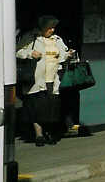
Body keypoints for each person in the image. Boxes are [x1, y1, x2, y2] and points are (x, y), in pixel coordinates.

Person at [16, 15, 73, 146]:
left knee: (51, 109)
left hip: (52, 79)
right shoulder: (31, 38)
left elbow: (62, 55)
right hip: (36, 80)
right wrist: (30, 53)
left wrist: (68, 54)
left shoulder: (57, 39)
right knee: (36, 108)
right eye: (49, 27)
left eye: (53, 27)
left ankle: (50, 133)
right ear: (42, 27)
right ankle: (39, 135)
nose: (52, 30)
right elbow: (17, 51)